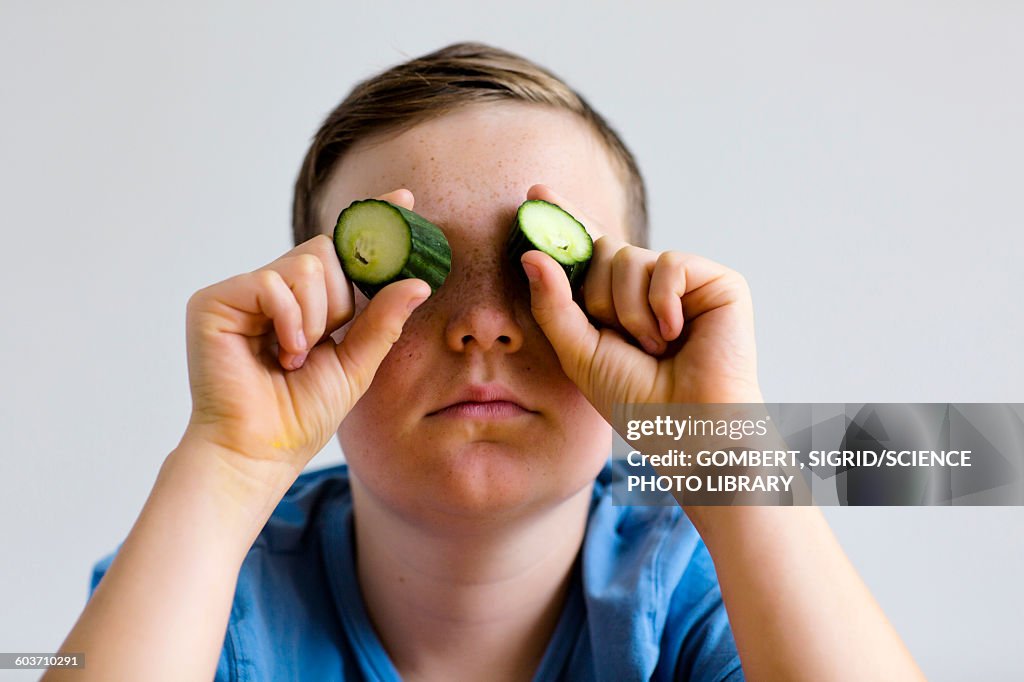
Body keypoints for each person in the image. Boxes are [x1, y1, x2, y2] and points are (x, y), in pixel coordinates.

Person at [49, 42, 924, 681]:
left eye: (551, 275)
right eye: (404, 273)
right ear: (310, 323)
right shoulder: (210, 589)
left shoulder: (704, 586)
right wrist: (227, 462)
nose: (483, 331)